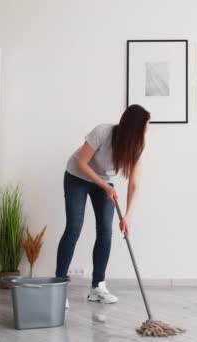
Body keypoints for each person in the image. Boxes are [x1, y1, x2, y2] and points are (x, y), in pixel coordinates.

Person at [56, 104, 150, 306]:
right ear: (134, 128)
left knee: (106, 231)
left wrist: (127, 216)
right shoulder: (103, 132)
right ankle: (58, 287)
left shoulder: (137, 147)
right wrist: (105, 186)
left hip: (104, 183)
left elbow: (134, 184)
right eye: (145, 126)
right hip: (77, 176)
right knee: (74, 228)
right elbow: (82, 162)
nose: (147, 131)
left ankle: (97, 287)